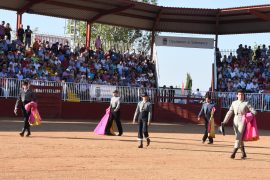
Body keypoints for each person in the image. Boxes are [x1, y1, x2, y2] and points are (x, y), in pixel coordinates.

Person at [222, 89, 256, 159]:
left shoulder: (246, 103)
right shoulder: (234, 103)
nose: (241, 96)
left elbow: (254, 112)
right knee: (238, 137)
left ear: (244, 95)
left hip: (243, 120)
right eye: (239, 94)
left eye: (242, 95)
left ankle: (233, 153)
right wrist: (225, 121)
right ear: (237, 95)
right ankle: (244, 153)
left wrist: (248, 116)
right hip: (235, 120)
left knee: (238, 137)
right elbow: (229, 112)